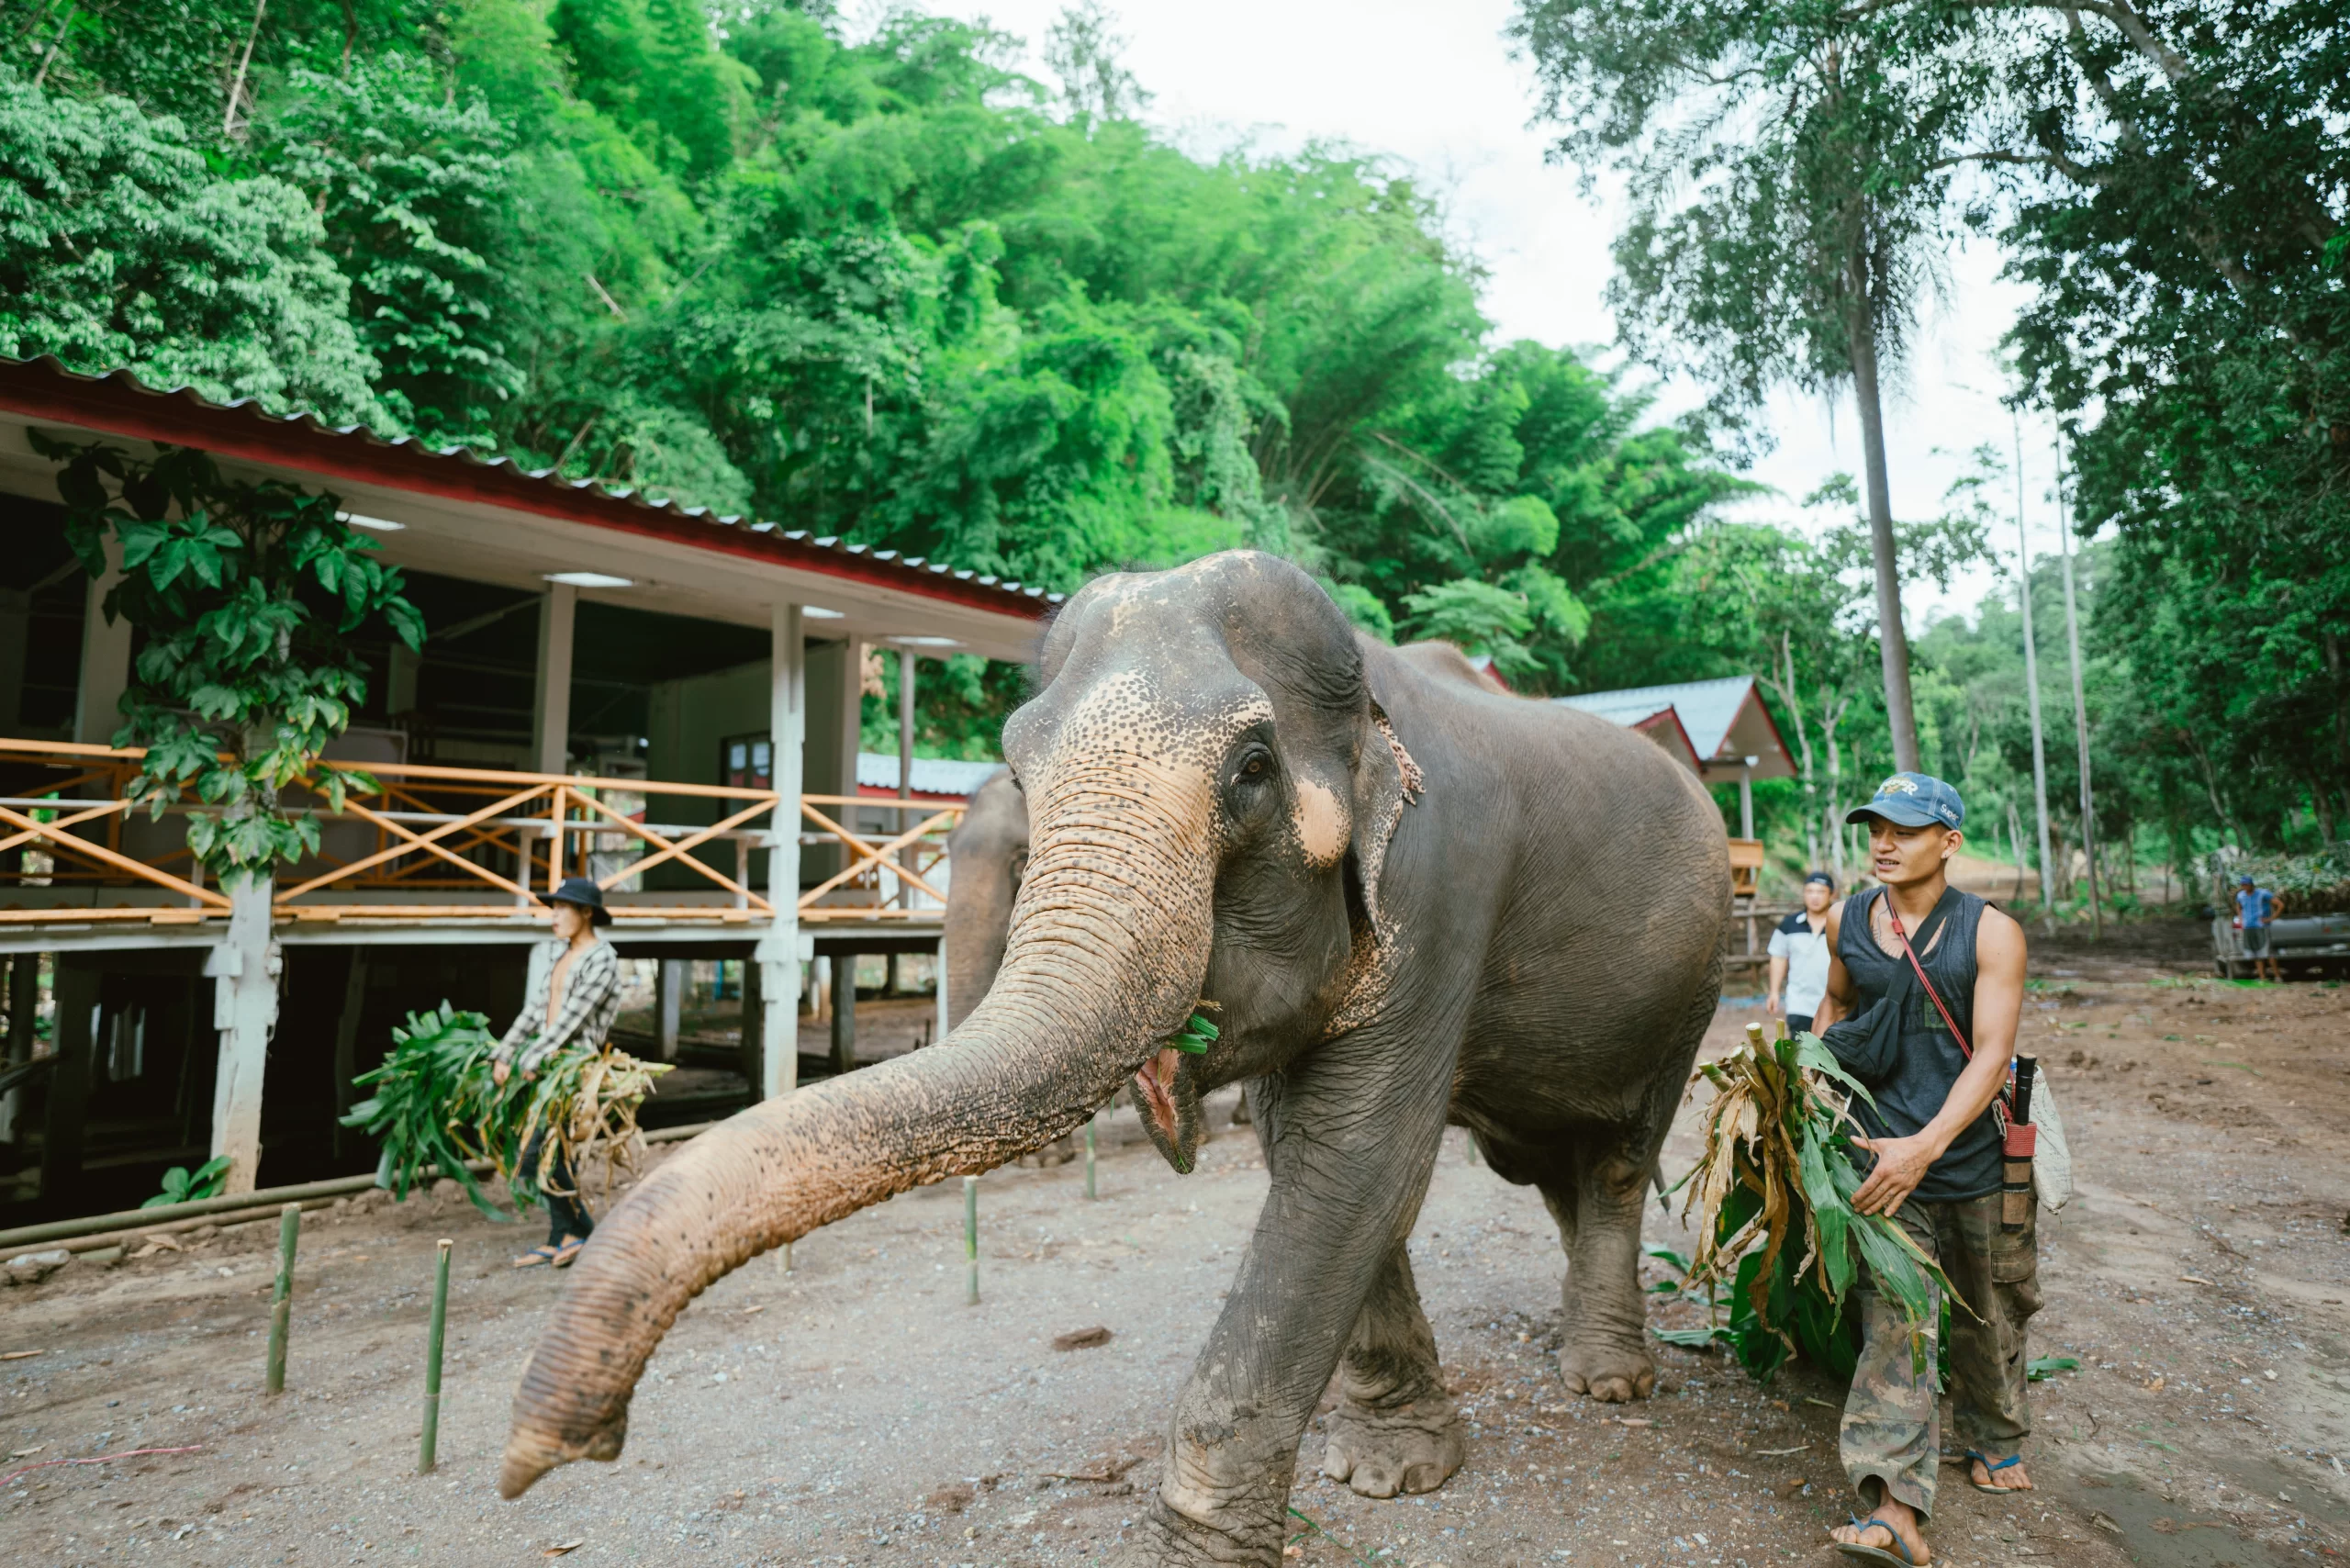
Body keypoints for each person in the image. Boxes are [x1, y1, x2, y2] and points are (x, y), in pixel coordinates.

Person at [1810, 774, 2033, 1567]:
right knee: (1898, 1320)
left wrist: (1927, 1145)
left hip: (1967, 1157)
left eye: (1905, 829)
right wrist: (1810, 1080)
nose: (1883, 842)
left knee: (1986, 1310)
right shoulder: (1848, 920)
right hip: (1877, 1155)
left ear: (1949, 841)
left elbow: (1993, 1055)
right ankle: (1893, 1504)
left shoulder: (1991, 933)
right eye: (1875, 826)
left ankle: (1993, 1433)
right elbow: (1834, 1009)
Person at [494, 877, 622, 1270]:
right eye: (554, 908)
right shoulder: (560, 955)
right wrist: (503, 1053)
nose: (555, 915)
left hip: (573, 1070)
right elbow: (535, 1010)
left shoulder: (602, 958)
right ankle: (566, 1233)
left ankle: (577, 1231)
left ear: (586, 913)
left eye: (563, 908)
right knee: (539, 1154)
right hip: (546, 1065)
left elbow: (569, 1022)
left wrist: (528, 1061)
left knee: (543, 1154)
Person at [1766, 871, 1836, 1034]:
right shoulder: (1789, 925)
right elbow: (1778, 958)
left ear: (1832, 894)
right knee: (1800, 1054)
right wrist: (1774, 992)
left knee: (1830, 1055)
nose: (1815, 897)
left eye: (1820, 892)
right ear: (1804, 893)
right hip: (1799, 1003)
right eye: (1810, 891)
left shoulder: (1841, 924)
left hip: (1834, 1004)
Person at [2235, 874, 2282, 982]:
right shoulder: (2241, 895)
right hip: (2248, 927)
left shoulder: (2263, 894)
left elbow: (2280, 904)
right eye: (2243, 885)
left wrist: (2272, 918)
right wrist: (2241, 919)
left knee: (2268, 952)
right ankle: (2262, 977)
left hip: (2261, 927)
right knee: (2256, 953)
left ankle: (2278, 976)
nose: (2244, 887)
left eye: (2246, 884)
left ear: (2251, 884)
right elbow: (2238, 906)